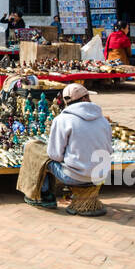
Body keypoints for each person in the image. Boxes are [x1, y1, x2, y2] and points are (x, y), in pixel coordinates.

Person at [30, 83, 113, 213]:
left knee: (36, 151)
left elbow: (55, 155)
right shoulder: (103, 120)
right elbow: (109, 150)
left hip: (74, 176)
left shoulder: (62, 119)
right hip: (101, 174)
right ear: (85, 99)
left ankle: (45, 196)